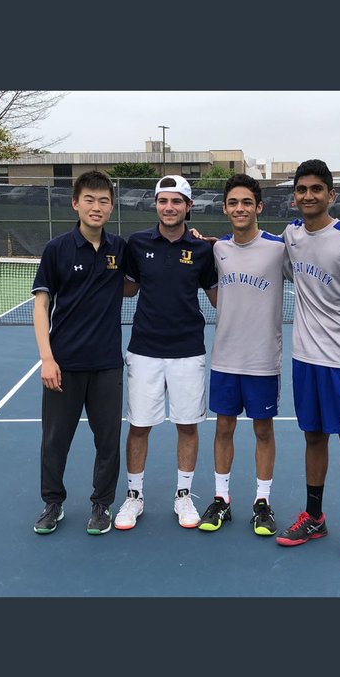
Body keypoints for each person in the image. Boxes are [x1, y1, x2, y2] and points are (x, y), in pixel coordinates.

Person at [277, 159, 340, 561]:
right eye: (302, 189)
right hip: (305, 359)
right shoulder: (291, 236)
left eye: (316, 189)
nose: (308, 195)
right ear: (295, 196)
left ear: (331, 195)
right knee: (314, 437)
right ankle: (315, 516)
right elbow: (256, 243)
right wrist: (206, 240)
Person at [114, 175, 218, 530]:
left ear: (189, 207)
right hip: (144, 350)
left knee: (187, 425)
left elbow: (219, 297)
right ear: (156, 205)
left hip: (188, 351)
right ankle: (133, 497)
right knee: (139, 426)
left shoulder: (204, 250)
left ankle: (183, 496)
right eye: (163, 201)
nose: (169, 207)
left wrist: (224, 249)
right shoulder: (137, 244)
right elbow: (127, 289)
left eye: (176, 201)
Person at [31, 169, 128, 536]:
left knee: (107, 442)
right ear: (75, 203)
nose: (96, 207)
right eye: (89, 199)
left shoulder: (121, 249)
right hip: (64, 366)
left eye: (104, 201)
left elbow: (147, 268)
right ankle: (52, 503)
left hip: (106, 366)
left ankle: (101, 505)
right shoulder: (56, 249)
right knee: (55, 440)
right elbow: (42, 306)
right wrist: (48, 358)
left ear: (112, 207)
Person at [198, 174, 286, 537]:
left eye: (246, 202)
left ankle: (262, 502)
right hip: (225, 358)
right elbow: (214, 284)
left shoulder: (280, 249)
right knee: (223, 427)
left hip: (263, 359)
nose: (240, 208)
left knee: (263, 430)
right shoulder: (217, 250)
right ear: (225, 208)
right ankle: (222, 500)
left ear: (259, 207)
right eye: (233, 203)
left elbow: (316, 257)